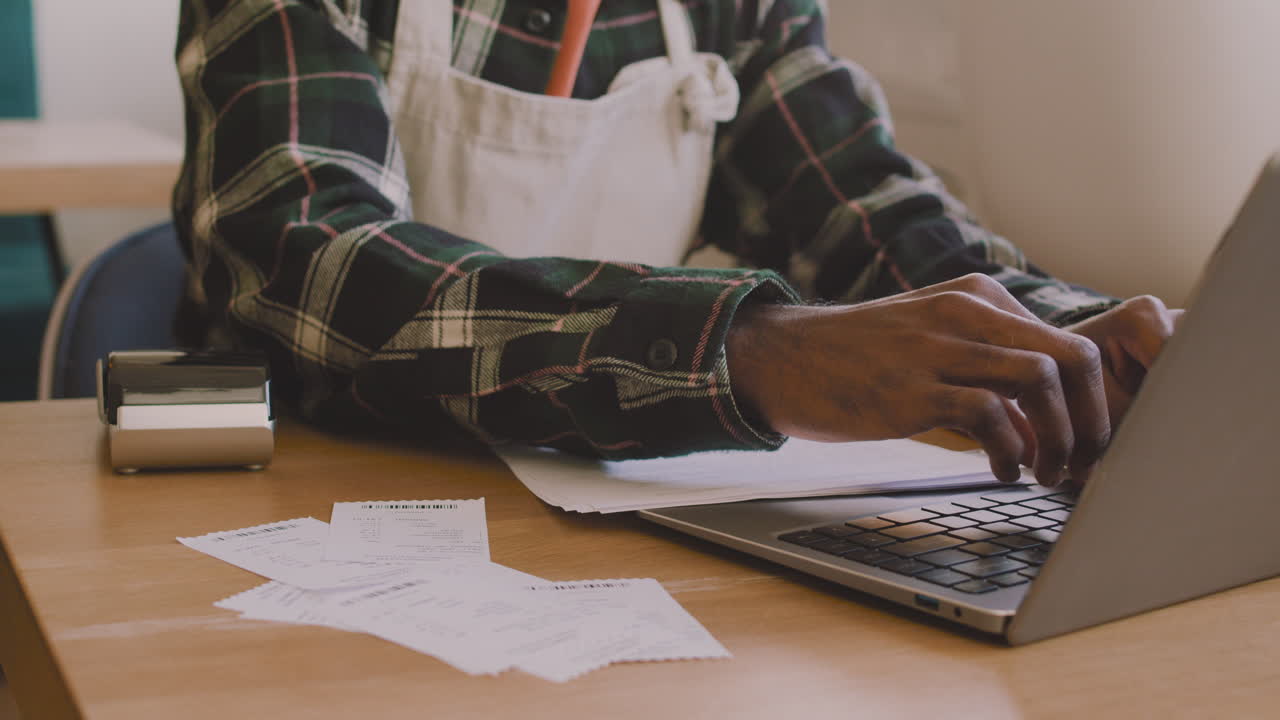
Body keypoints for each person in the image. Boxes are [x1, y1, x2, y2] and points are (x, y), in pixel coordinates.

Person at [172, 0, 1179, 489]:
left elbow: (858, 204)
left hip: (606, 524)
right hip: (328, 516)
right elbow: (304, 258)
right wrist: (752, 354)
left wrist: (1066, 342)